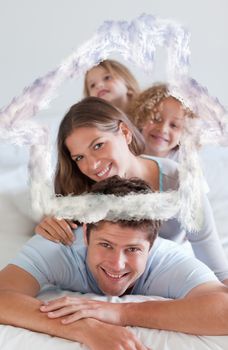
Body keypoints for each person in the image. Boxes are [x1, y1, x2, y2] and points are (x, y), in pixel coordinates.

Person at [1, 176, 228, 350]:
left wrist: (120, 313)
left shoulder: (168, 258)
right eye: (106, 245)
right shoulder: (58, 247)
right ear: (87, 233)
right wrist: (85, 328)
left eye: (132, 249)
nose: (117, 265)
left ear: (151, 246)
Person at [35, 96, 228, 285]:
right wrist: (48, 224)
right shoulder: (79, 187)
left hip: (163, 273)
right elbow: (54, 233)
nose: (92, 165)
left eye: (98, 145)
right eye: (79, 158)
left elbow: (211, 256)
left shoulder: (180, 181)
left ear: (125, 132)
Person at [128, 83, 196, 161]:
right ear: (140, 118)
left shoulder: (183, 166)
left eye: (173, 125)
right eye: (156, 119)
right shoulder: (124, 151)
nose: (163, 129)